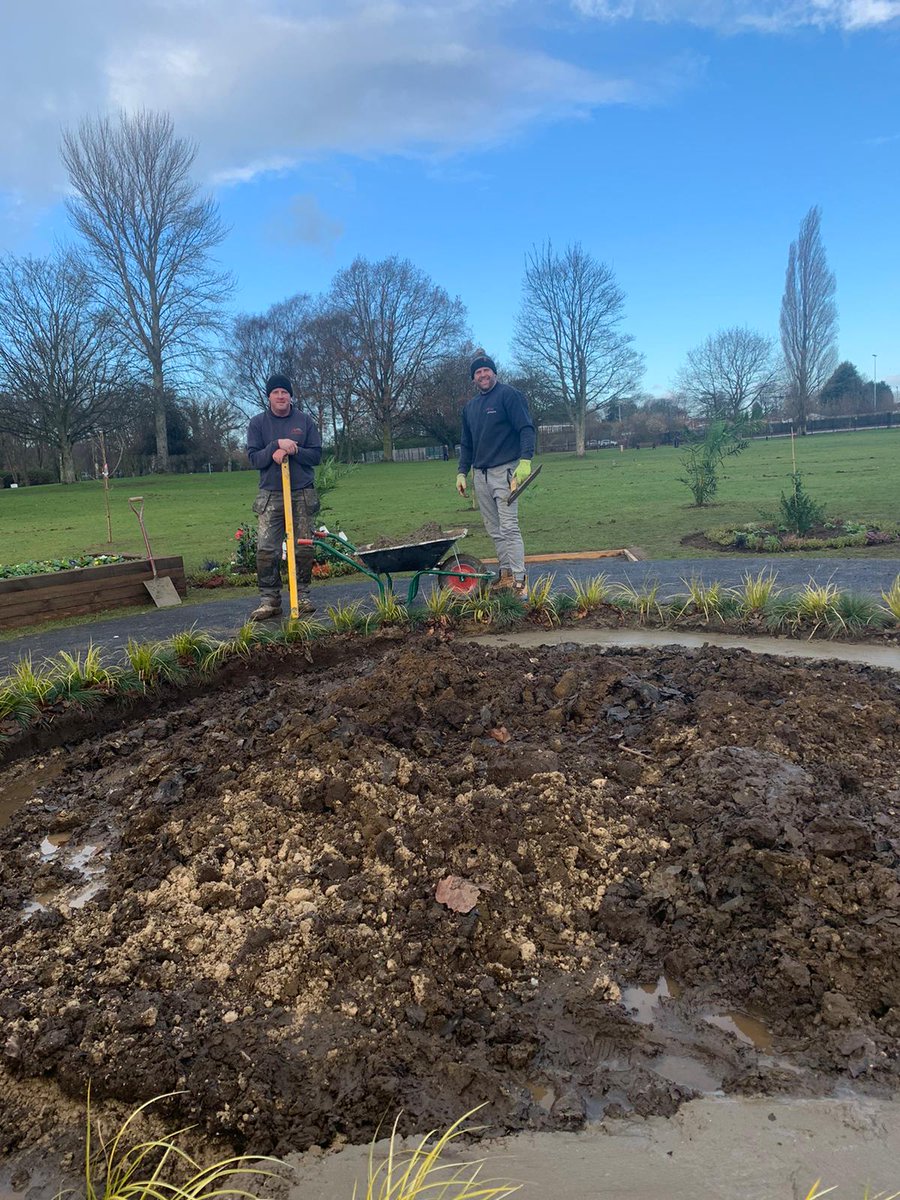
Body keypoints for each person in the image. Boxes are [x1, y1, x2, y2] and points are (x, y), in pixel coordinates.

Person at [456, 350, 535, 598]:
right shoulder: (470, 408)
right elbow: (466, 443)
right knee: (494, 529)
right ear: (473, 378)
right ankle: (506, 575)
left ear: (494, 372)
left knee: (509, 527)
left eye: (486, 370)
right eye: (478, 372)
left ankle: (520, 581)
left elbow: (526, 428)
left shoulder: (508, 395)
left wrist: (525, 461)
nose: (483, 375)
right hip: (481, 475)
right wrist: (461, 472)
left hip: (505, 472)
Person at [246, 373, 323, 620]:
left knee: (302, 548)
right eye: (276, 392)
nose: (281, 396)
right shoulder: (258, 424)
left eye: (285, 392)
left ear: (290, 396)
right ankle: (270, 601)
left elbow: (316, 456)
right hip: (271, 495)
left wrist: (295, 449)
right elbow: (254, 459)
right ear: (269, 396)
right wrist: (275, 447)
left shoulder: (305, 421)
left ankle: (301, 596)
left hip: (301, 492)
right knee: (266, 549)